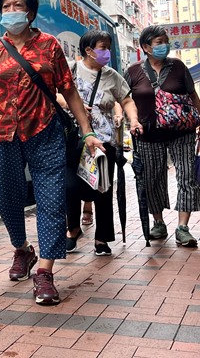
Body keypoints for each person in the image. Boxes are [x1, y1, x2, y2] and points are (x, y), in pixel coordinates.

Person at [0, 0, 104, 306]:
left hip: (45, 133)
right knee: (7, 198)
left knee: (51, 201)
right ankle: (23, 250)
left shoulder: (49, 46)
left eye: (17, 6)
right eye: (6, 8)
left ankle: (45, 273)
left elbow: (69, 91)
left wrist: (87, 131)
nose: (11, 12)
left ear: (31, 12)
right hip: (0, 134)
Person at [124, 25, 200, 248]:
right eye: (158, 42)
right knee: (152, 179)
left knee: (187, 176)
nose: (163, 46)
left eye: (165, 41)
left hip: (182, 132)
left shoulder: (178, 66)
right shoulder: (133, 71)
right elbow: (123, 99)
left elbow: (192, 94)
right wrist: (130, 120)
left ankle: (183, 227)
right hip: (148, 135)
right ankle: (158, 222)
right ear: (146, 47)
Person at [60, 30, 141, 257]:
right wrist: (70, 105)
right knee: (70, 186)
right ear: (88, 50)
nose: (106, 52)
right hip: (73, 138)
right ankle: (73, 229)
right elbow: (53, 94)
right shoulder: (71, 69)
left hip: (104, 141)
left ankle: (102, 238)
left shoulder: (112, 76)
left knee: (103, 188)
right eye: (102, 47)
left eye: (107, 47)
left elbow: (126, 100)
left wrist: (133, 119)